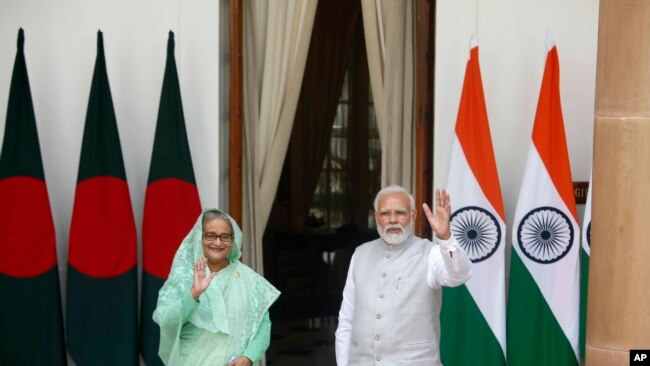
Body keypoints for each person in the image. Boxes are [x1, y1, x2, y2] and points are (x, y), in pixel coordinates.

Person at [335, 185, 472, 366]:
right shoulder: (360, 254)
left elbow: (459, 275)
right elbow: (346, 321)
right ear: (376, 217)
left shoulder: (431, 253)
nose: (393, 219)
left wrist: (446, 237)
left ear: (413, 216)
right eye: (385, 213)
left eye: (400, 213)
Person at [153, 209, 280, 366]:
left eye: (225, 237)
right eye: (210, 236)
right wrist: (193, 295)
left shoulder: (248, 278)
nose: (218, 242)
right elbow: (166, 320)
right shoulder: (184, 276)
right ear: (200, 238)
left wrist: (248, 356)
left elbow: (263, 323)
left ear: (233, 240)